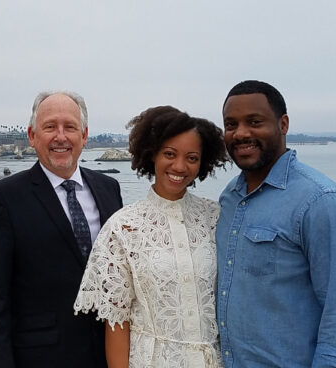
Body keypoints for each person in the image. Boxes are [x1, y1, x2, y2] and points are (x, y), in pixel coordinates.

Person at [215, 80, 336, 367]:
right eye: (231, 124)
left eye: (254, 122)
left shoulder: (322, 202)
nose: (241, 133)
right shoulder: (229, 198)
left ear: (283, 124)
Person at [0, 91, 124, 368]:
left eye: (70, 127)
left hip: (106, 355)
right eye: (50, 126)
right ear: (32, 135)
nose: (61, 136)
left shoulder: (109, 188)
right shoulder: (2, 198)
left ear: (84, 135)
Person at [74, 106, 228, 368]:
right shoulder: (122, 228)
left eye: (192, 158)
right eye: (169, 154)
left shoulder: (216, 218)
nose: (180, 166)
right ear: (152, 153)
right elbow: (117, 321)